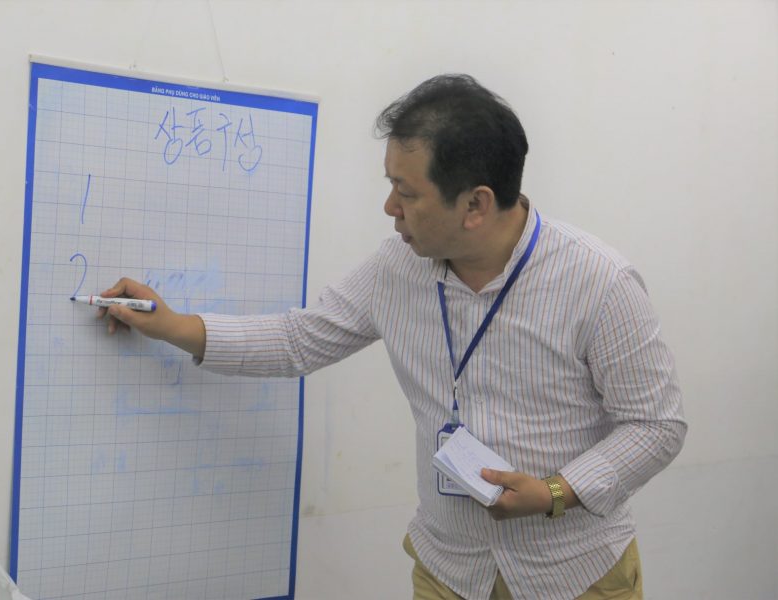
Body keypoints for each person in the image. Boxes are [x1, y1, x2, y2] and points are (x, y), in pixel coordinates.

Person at [97, 74, 686, 600]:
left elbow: (656, 425)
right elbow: (299, 339)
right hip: (450, 570)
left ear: (475, 204)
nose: (389, 208)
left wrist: (557, 491)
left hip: (574, 574)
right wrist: (171, 325)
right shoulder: (398, 269)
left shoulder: (598, 282)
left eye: (406, 193)